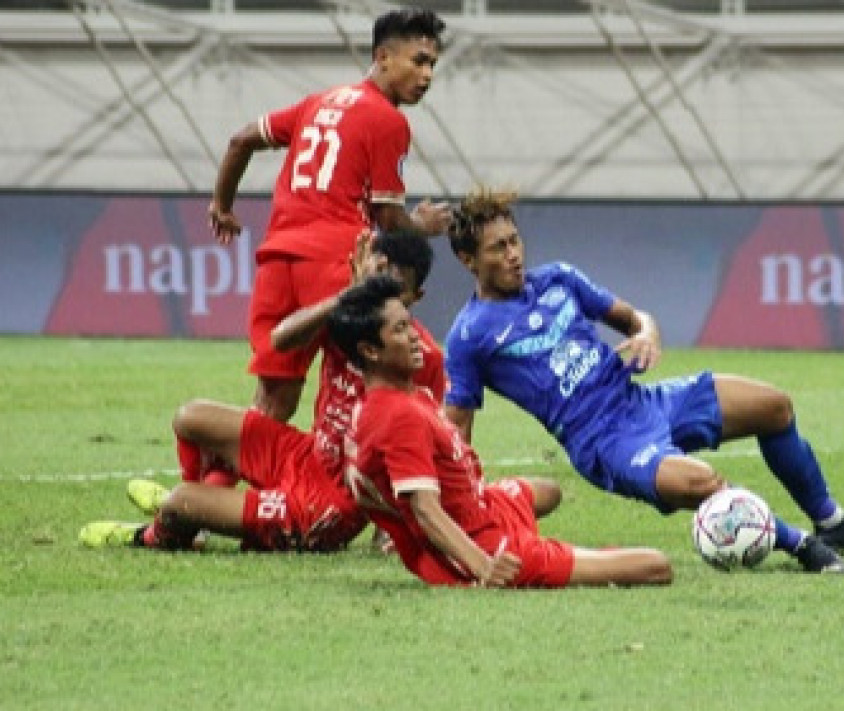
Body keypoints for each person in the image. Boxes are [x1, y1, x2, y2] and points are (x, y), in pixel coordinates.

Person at [442, 186, 844, 575]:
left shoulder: (558, 279)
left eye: (514, 241)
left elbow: (633, 318)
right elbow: (456, 429)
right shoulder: (470, 335)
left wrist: (647, 334)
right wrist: (458, 509)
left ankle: (831, 520)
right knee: (701, 483)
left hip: (644, 401)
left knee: (774, 406)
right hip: (604, 442)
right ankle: (803, 546)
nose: (514, 255)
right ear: (468, 260)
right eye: (497, 248)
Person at [78, 231, 439, 553]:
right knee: (190, 417)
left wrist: (391, 531)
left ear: (416, 296)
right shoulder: (347, 318)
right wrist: (346, 297)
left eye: (394, 290)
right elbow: (280, 341)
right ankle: (202, 512)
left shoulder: (421, 355)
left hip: (327, 505)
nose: (381, 297)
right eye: (377, 283)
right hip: (306, 456)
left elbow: (418, 450)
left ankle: (154, 535)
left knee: (181, 502)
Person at [328, 275, 673, 588]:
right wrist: (483, 565)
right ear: (370, 351)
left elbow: (365, 486)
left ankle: (552, 546)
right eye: (400, 330)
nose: (416, 336)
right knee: (656, 565)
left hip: (485, 504)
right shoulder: (397, 415)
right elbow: (424, 507)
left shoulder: (382, 401)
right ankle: (556, 558)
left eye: (411, 323)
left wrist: (411, 538)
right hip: (486, 541)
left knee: (548, 491)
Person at [208, 6, 453, 423]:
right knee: (399, 368)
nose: (427, 75)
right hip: (337, 262)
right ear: (383, 57)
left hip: (277, 259)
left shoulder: (318, 103)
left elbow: (240, 140)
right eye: (419, 61)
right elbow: (391, 220)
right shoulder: (388, 120)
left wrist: (221, 205)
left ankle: (209, 486)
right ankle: (414, 474)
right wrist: (424, 226)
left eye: (432, 64)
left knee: (272, 402)